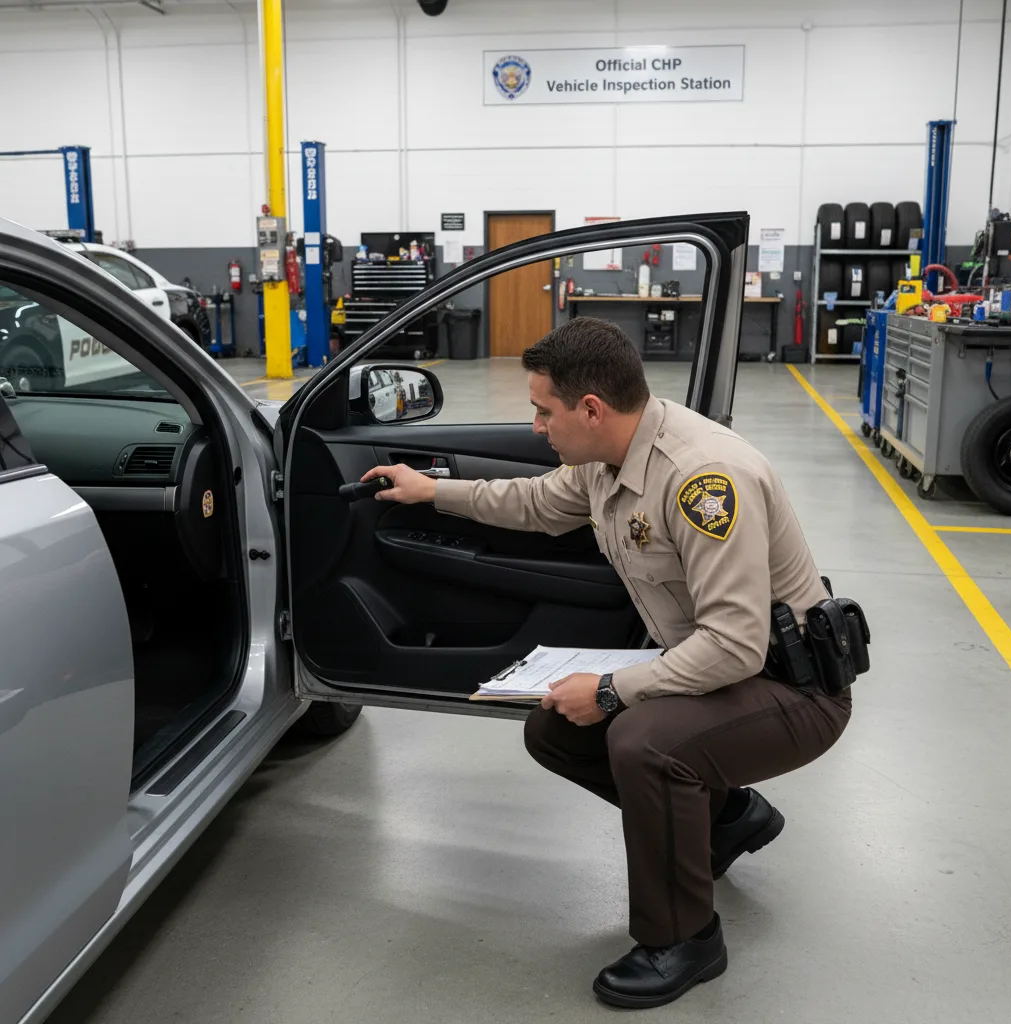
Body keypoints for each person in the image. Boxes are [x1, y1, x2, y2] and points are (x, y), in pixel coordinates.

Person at [359, 316, 853, 1010]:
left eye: (543, 410)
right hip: (722, 673)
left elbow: (737, 644)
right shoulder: (607, 458)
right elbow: (535, 503)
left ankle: (685, 937)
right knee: (554, 729)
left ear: (590, 408)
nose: (535, 426)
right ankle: (729, 818)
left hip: (791, 689)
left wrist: (615, 690)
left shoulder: (703, 481)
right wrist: (431, 491)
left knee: (643, 741)